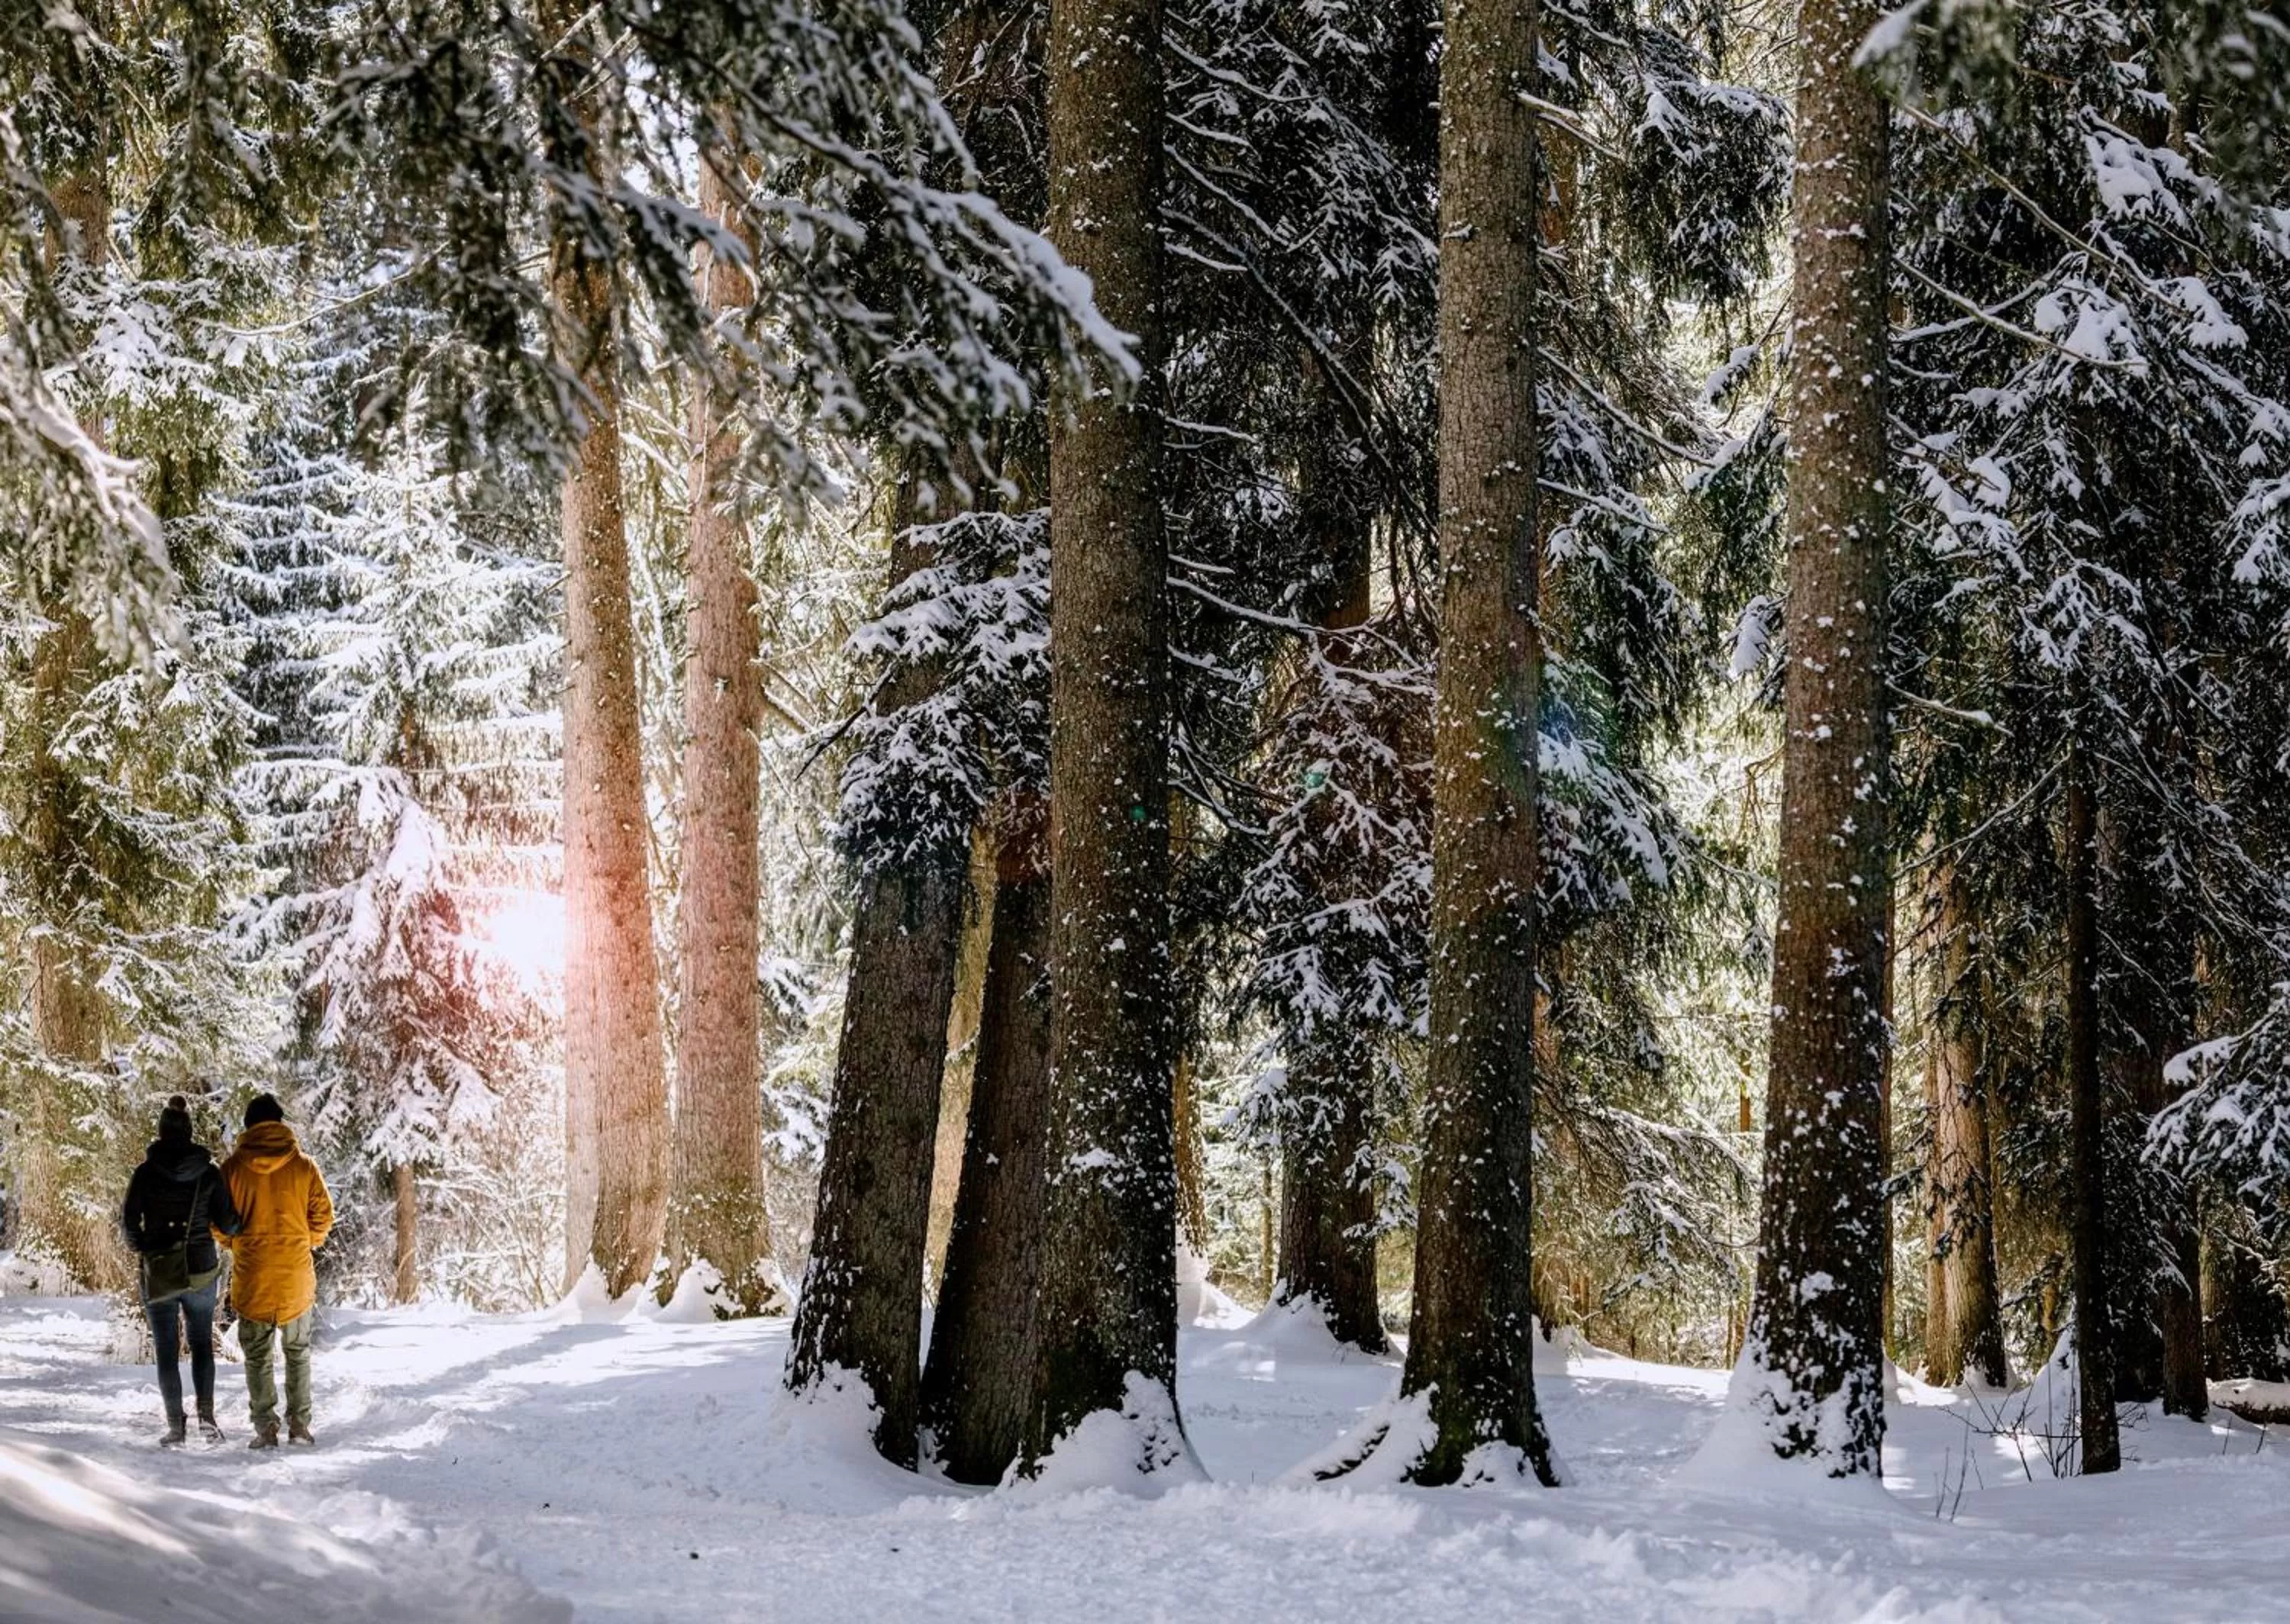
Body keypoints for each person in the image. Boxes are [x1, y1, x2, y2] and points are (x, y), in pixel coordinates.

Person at [121, 1095, 242, 1447]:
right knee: (202, 1343)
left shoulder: (145, 1173)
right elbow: (229, 1225)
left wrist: (145, 1248)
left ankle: (176, 1426)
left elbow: (128, 1224)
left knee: (166, 1348)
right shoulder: (209, 1173)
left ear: (161, 1132)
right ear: (190, 1133)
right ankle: (207, 1419)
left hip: (160, 1271)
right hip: (201, 1270)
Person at [215, 1093, 334, 1449]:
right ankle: (299, 1425)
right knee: (297, 1352)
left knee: (257, 1355)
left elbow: (216, 1220)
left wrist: (236, 1244)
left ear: (249, 1126)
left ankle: (266, 1427)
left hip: (253, 1276)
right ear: (280, 1124)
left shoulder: (232, 1169)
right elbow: (324, 1216)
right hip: (295, 1276)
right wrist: (305, 1241)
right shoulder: (304, 1167)